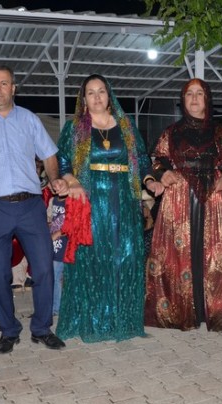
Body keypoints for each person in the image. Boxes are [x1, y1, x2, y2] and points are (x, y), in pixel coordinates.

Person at [0, 65, 67, 354]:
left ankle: (42, 328)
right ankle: (8, 330)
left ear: (13, 88)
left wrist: (55, 178)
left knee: (43, 268)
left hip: (30, 205)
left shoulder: (29, 119)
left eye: (3, 83)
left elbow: (49, 155)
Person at [55, 74, 164, 342]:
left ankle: (123, 319)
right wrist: (72, 181)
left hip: (124, 198)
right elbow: (63, 162)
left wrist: (149, 180)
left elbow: (142, 159)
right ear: (84, 99)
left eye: (101, 91)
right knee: (94, 260)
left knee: (125, 257)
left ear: (109, 95)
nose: (96, 97)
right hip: (92, 200)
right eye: (90, 92)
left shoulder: (127, 126)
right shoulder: (74, 128)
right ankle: (95, 321)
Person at [144, 78, 222, 332]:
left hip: (212, 197)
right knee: (181, 251)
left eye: (199, 94)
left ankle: (211, 310)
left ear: (207, 99)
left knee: (210, 251)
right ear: (182, 100)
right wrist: (163, 173)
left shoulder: (219, 132)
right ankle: (183, 309)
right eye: (189, 94)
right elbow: (158, 160)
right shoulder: (171, 132)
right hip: (179, 197)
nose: (194, 98)